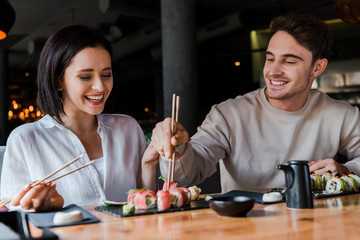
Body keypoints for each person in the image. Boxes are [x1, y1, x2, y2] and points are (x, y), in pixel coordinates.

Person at [146, 14, 360, 193]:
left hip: (314, 225)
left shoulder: (342, 115)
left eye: (289, 61)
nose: (273, 71)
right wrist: (179, 149)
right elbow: (188, 175)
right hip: (246, 226)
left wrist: (344, 169)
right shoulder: (228, 115)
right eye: (270, 58)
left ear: (318, 67)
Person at [0, 24, 156, 211]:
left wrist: (148, 165)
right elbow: (12, 216)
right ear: (58, 80)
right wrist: (48, 209)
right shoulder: (25, 139)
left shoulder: (128, 128)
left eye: (106, 74)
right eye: (85, 77)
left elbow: (145, 206)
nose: (100, 86)